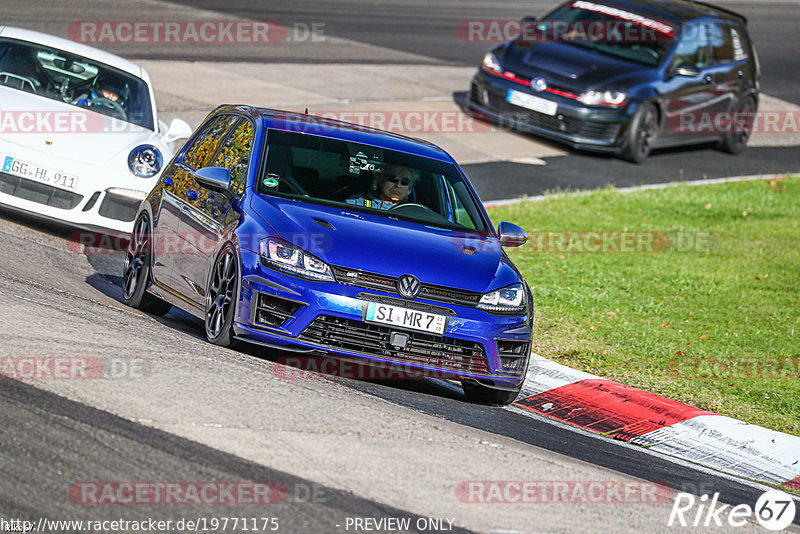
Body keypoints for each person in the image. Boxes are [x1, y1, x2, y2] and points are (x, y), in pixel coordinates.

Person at [346, 164, 419, 210]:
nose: (398, 185)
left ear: (409, 188)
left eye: (405, 182)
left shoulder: (413, 213)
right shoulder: (357, 203)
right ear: (381, 181)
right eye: (393, 179)